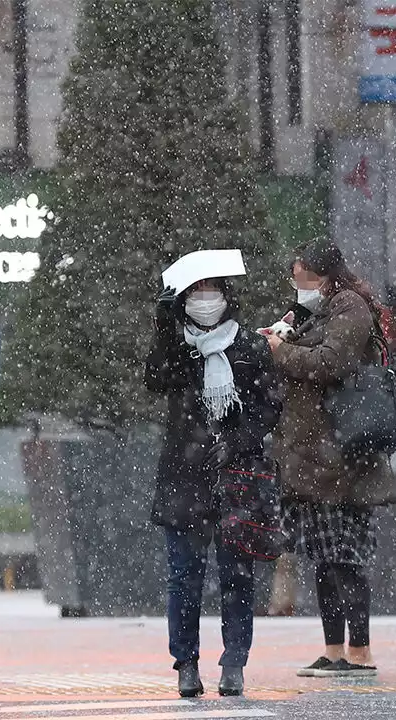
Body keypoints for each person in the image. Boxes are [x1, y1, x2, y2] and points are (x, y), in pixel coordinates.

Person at [145, 273, 280, 697]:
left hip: (235, 477)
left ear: (227, 295)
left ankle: (234, 661)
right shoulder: (178, 346)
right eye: (197, 292)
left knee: (237, 576)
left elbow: (269, 405)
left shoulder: (250, 346)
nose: (206, 300)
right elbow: (155, 379)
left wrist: (236, 442)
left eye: (213, 291)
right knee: (184, 576)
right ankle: (186, 663)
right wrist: (165, 324)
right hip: (184, 478)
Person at [268, 238, 390, 679]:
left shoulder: (350, 307)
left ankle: (360, 651)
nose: (300, 287)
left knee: (346, 557)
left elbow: (331, 362)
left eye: (306, 279)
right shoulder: (312, 312)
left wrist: (285, 353)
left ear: (327, 276)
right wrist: (282, 334)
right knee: (323, 556)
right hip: (311, 458)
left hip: (342, 455)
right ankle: (333, 650)